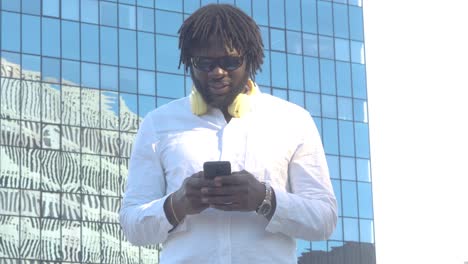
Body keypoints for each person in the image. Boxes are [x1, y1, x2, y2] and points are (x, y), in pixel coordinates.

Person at [119, 4, 337, 264]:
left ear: (251, 59)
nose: (218, 72)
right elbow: (132, 225)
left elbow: (324, 219)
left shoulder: (293, 120)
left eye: (230, 61)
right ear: (189, 62)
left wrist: (264, 199)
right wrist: (178, 203)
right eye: (204, 63)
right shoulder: (158, 124)